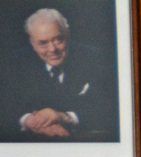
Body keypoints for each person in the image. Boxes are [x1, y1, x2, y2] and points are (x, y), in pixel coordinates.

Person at [6, 7, 118, 142]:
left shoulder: (96, 58)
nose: (52, 49)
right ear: (32, 43)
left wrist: (63, 117)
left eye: (59, 40)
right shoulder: (12, 63)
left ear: (68, 35)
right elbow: (5, 107)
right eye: (43, 43)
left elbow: (110, 107)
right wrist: (30, 121)